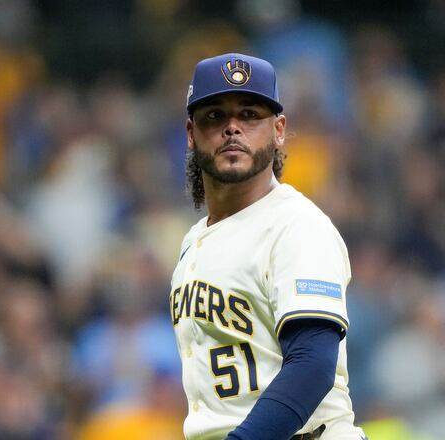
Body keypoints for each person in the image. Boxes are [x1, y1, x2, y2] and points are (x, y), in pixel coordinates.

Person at [169, 53, 366, 440]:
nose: (232, 129)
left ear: (278, 130)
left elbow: (312, 364)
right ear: (191, 133)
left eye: (249, 114)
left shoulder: (296, 225)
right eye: (215, 116)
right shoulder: (193, 242)